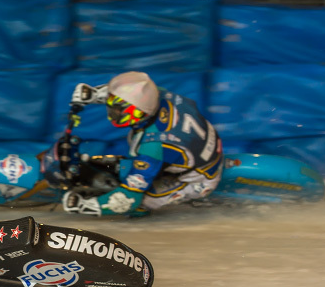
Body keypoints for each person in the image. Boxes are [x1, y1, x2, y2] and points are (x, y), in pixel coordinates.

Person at [60, 71, 223, 217]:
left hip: (199, 179)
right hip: (201, 146)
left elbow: (127, 199)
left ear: (136, 113)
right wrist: (94, 94)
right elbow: (133, 94)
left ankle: (144, 211)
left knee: (141, 201)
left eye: (117, 109)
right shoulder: (159, 96)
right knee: (124, 165)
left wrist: (85, 206)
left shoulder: (152, 146)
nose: (112, 111)